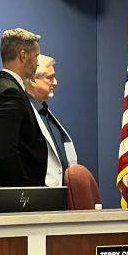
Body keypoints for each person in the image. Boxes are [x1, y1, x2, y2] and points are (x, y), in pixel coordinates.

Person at [0, 28, 48, 187]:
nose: (37, 63)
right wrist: (28, 192)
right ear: (23, 56)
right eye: (36, 56)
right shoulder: (11, 94)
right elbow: (6, 154)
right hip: (13, 201)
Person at [26, 54, 78, 187]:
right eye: (49, 77)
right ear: (32, 80)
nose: (55, 82)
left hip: (60, 197)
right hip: (39, 198)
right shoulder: (25, 115)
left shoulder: (44, 112)